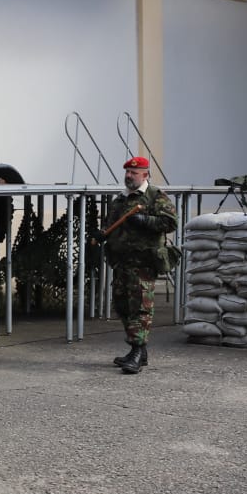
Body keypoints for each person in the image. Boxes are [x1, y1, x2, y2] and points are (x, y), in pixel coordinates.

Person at [94, 156, 179, 375]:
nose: (129, 176)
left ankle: (137, 351)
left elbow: (170, 222)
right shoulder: (120, 200)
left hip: (143, 261)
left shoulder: (154, 196)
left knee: (140, 307)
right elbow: (110, 224)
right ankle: (139, 351)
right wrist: (102, 234)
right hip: (122, 261)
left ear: (145, 174)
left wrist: (145, 221)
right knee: (123, 305)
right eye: (127, 172)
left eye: (134, 172)